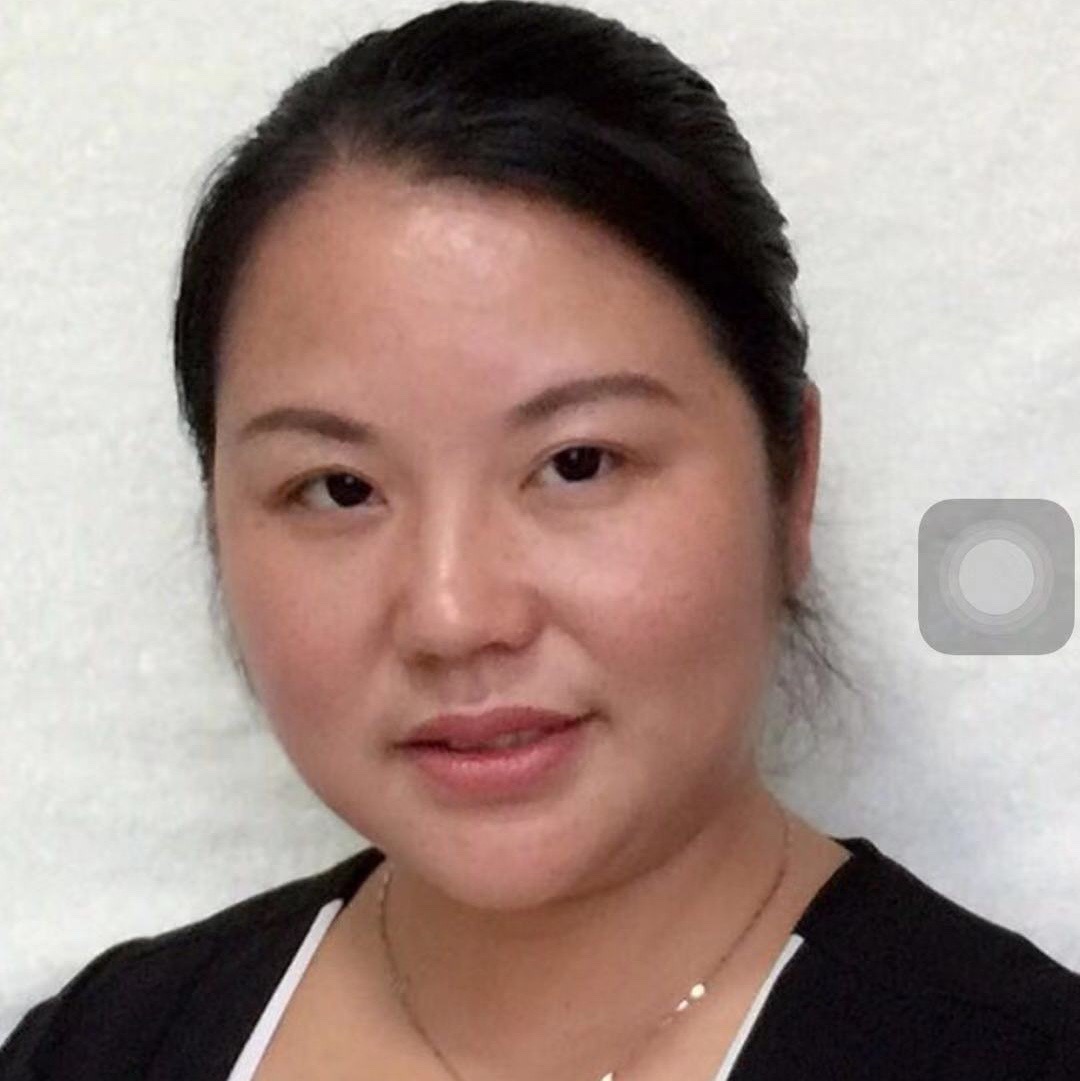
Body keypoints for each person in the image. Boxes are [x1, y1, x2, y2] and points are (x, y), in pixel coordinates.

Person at [3, 2, 1078, 1078]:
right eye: (340, 487)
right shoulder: (98, 1048)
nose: (453, 614)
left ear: (790, 479)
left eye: (577, 463)